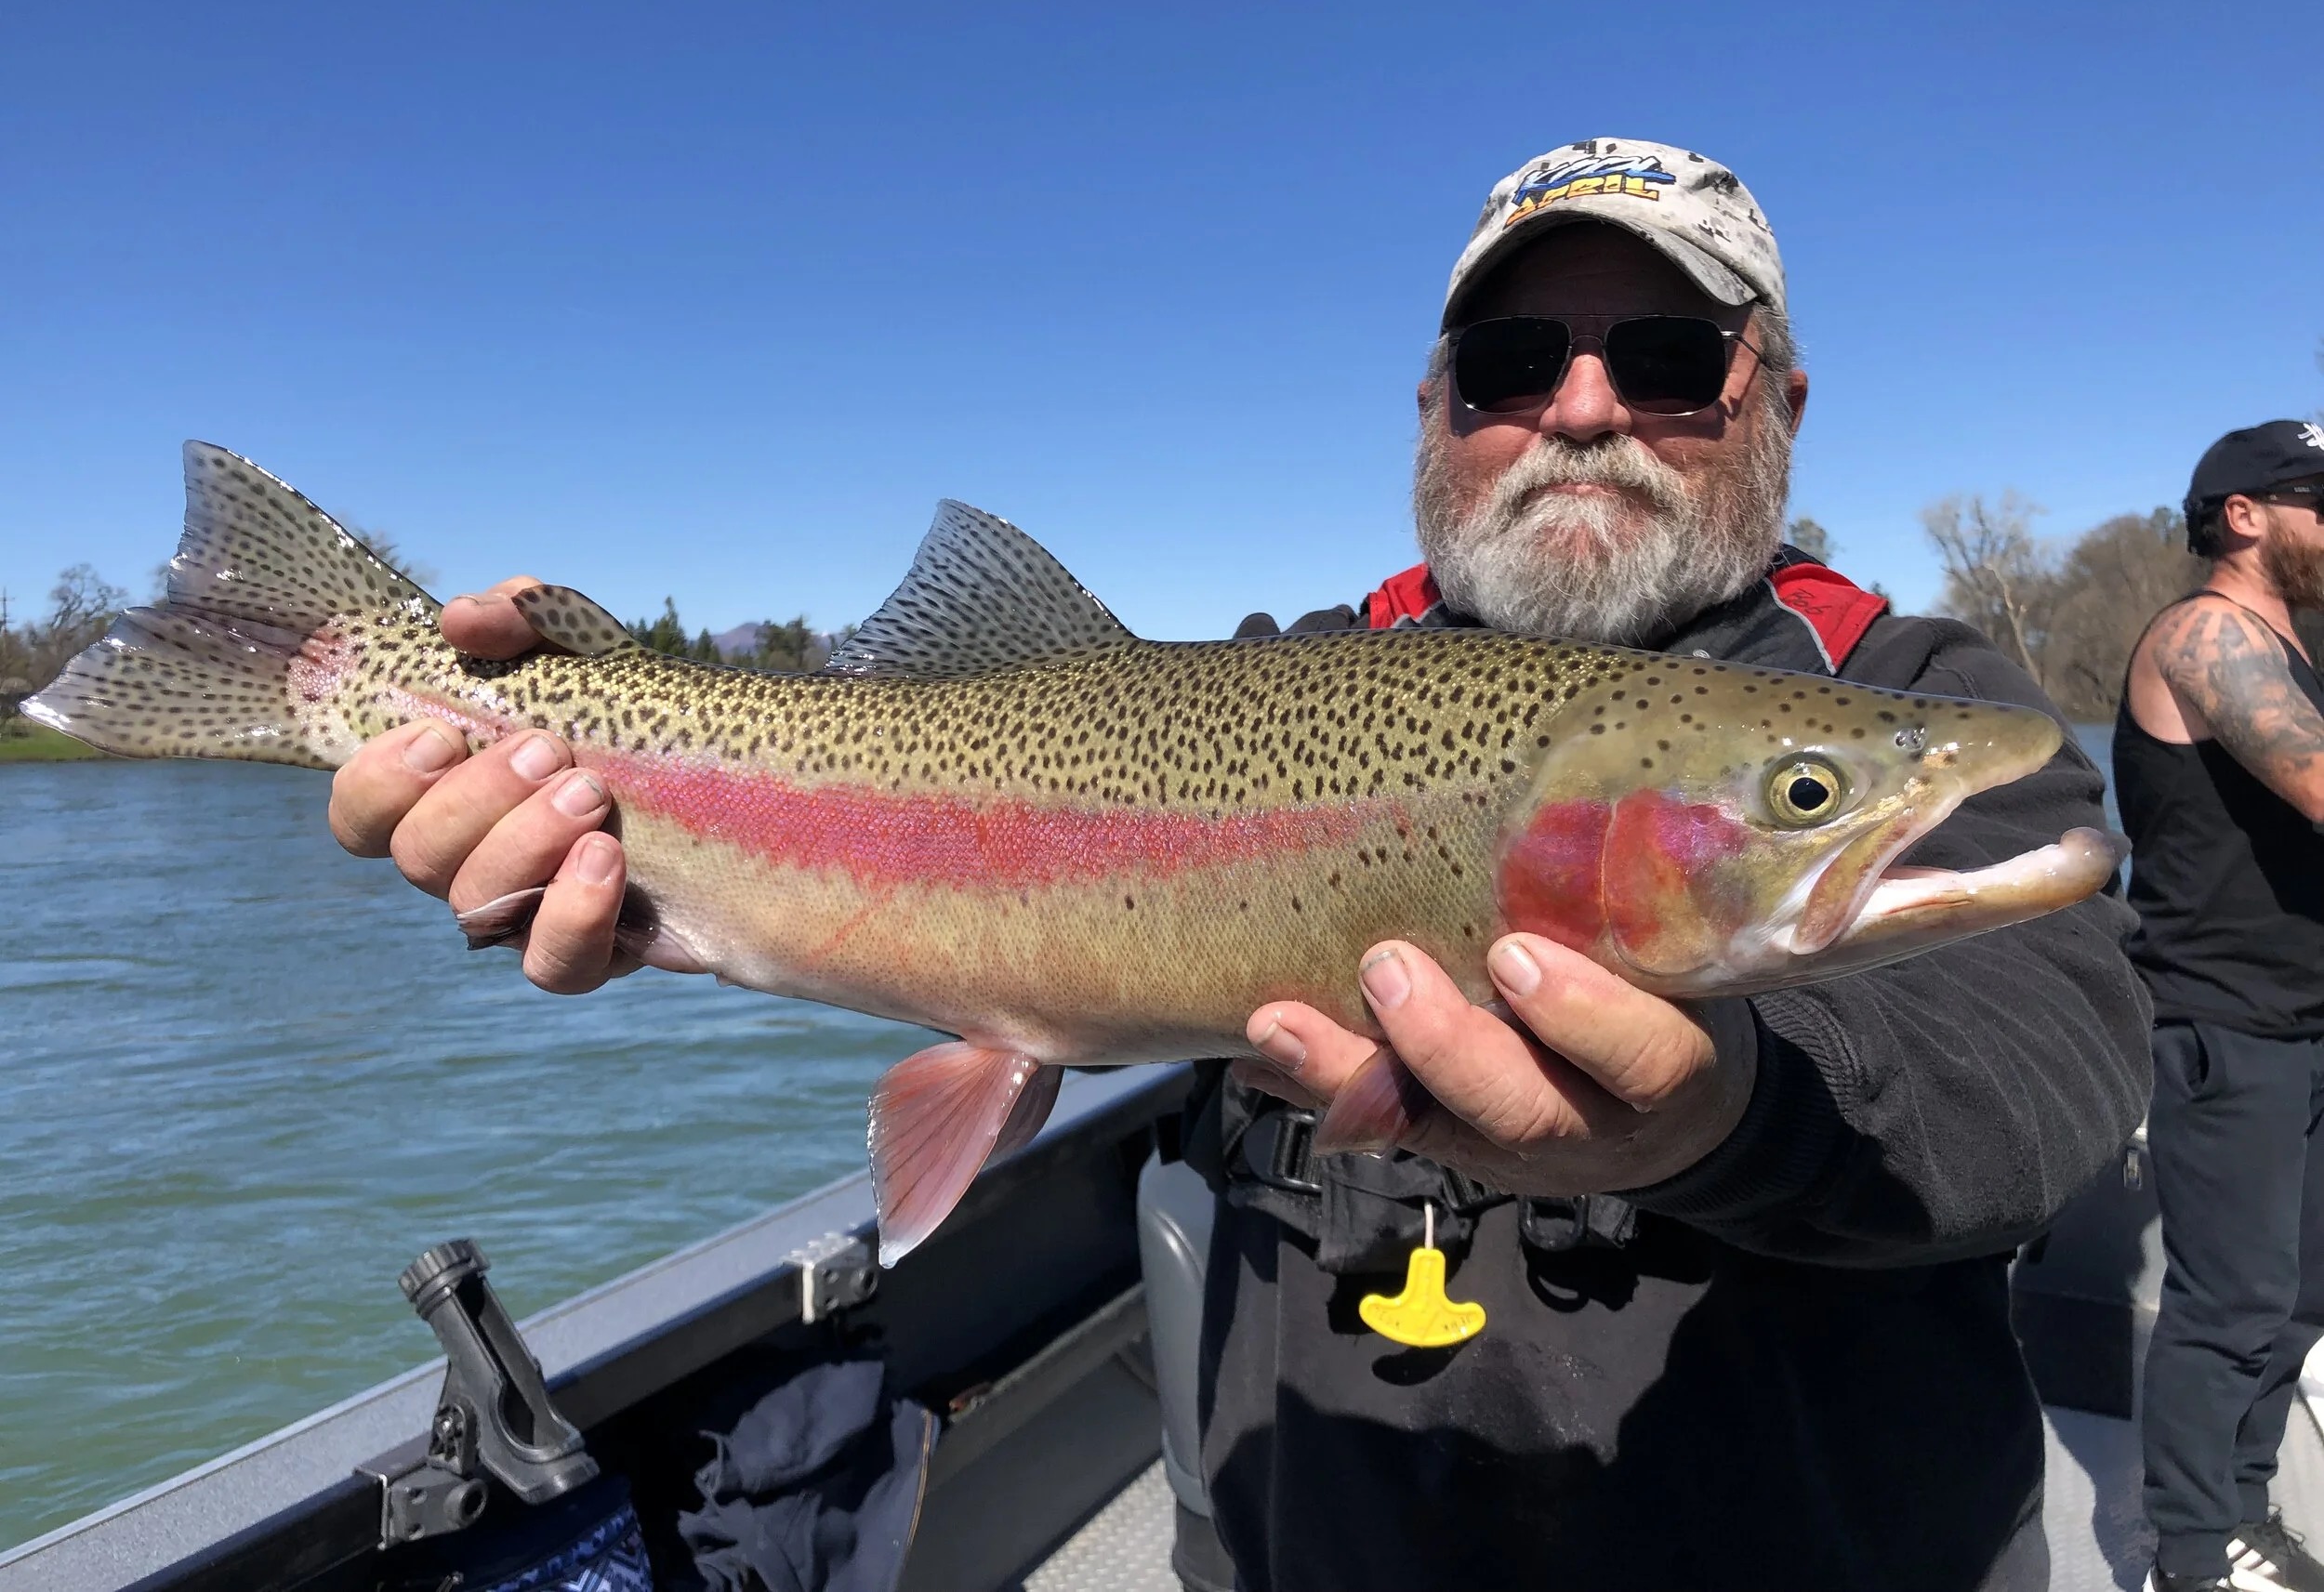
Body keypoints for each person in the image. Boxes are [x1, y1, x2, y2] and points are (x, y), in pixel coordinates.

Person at [324, 139, 2150, 1590]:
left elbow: (2054, 1054)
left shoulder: (1907, 701)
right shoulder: (1265, 673)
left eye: (1668, 360)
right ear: (1436, 412)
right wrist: (627, 879)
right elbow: (906, 849)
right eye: (1515, 362)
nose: (1581, 406)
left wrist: (1717, 1114)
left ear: (1776, 410)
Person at [2119, 421, 2324, 1592]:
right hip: (2222, 1020)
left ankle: (2244, 1512)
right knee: (2231, 1299)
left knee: (2299, 1293)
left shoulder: (2302, 639)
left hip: (2305, 1016)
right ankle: (2190, 1555)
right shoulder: (2203, 635)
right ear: (2243, 514)